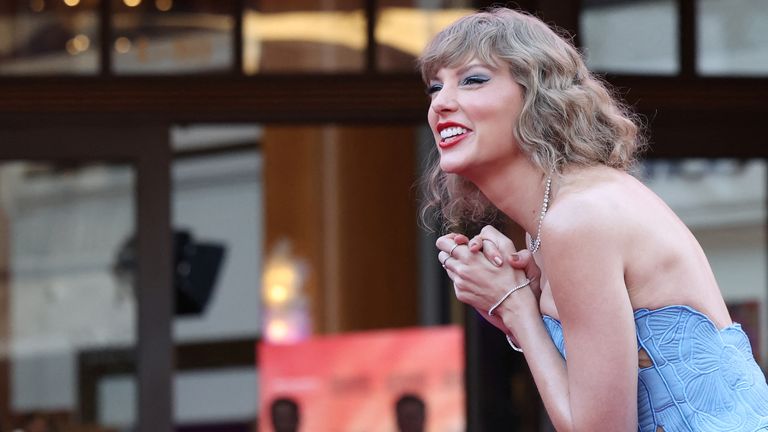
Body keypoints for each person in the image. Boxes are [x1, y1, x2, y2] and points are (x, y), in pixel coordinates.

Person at [420, 7, 768, 432]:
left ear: (538, 97)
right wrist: (522, 301)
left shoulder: (577, 220)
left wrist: (517, 311)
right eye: (435, 87)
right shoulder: (561, 214)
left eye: (472, 79)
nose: (441, 103)